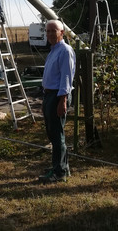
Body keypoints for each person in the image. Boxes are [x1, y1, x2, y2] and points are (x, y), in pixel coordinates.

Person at [39, 20, 76, 183]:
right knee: (52, 133)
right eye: (47, 31)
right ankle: (61, 166)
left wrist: (63, 100)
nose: (50, 34)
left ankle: (59, 172)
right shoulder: (53, 50)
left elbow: (66, 78)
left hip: (58, 96)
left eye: (53, 31)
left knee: (57, 133)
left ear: (62, 33)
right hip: (49, 95)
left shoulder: (65, 51)